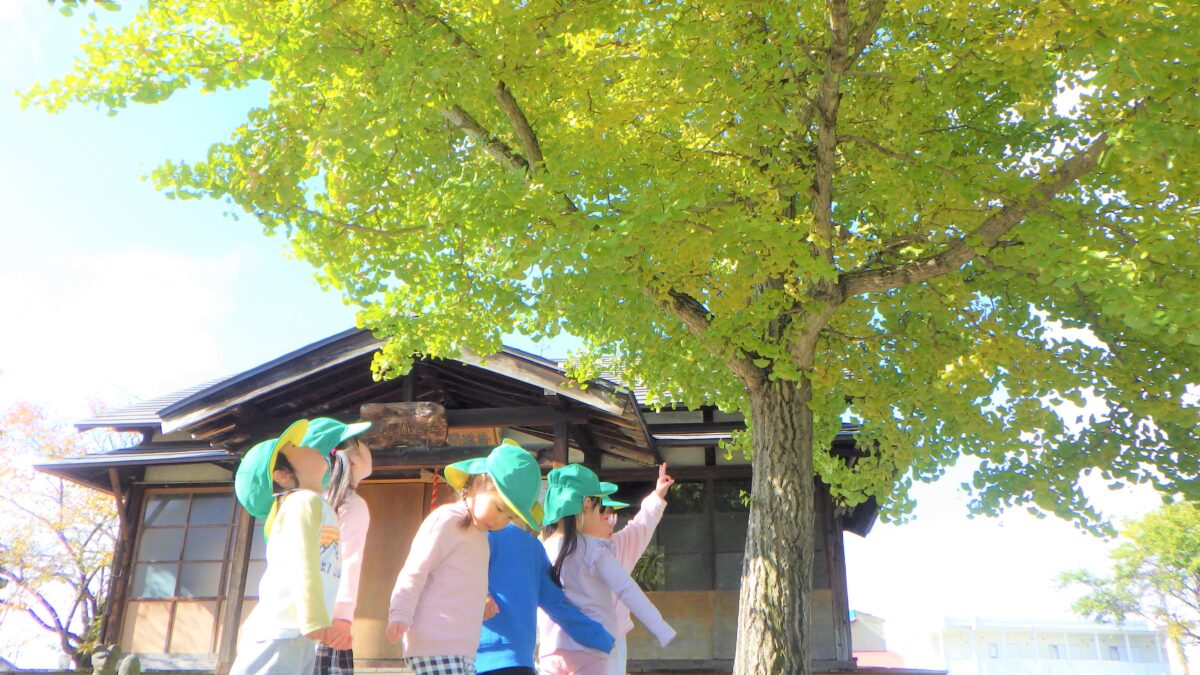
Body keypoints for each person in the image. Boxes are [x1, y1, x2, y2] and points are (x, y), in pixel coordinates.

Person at [387, 442, 543, 675]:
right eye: (499, 508)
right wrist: (400, 612)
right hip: (435, 643)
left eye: (509, 517)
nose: (500, 521)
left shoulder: (480, 538)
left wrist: (479, 604)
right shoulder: (447, 519)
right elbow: (415, 570)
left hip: (463, 649)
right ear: (479, 483)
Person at [538, 465, 675, 675]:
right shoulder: (595, 549)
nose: (612, 522)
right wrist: (660, 628)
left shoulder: (540, 550)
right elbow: (627, 589)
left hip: (551, 650)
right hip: (593, 647)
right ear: (587, 505)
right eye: (602, 512)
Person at [230, 419, 339, 675]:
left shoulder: (314, 503)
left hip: (295, 631)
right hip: (283, 630)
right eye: (294, 447)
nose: (307, 446)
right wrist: (313, 616)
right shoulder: (303, 501)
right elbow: (301, 559)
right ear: (282, 475)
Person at [475, 521, 615, 675]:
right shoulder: (527, 545)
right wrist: (598, 636)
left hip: (484, 659)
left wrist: (598, 636)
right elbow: (557, 604)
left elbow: (555, 603)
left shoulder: (527, 546)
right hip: (510, 661)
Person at [312, 420, 375, 675]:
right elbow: (349, 561)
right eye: (363, 443)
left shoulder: (309, 499)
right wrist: (343, 617)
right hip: (328, 617)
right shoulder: (351, 504)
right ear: (354, 461)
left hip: (297, 614)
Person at [600, 463, 674, 675]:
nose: (611, 522)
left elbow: (641, 525)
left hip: (614, 636)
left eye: (613, 515)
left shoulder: (618, 544)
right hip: (579, 638)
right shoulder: (570, 548)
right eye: (605, 516)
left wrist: (657, 495)